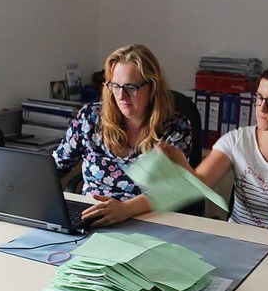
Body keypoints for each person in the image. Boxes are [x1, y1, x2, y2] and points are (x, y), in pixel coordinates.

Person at [159, 61, 268, 239]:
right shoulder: (237, 141)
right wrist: (180, 162)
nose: (261, 108)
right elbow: (200, 186)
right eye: (259, 97)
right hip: (238, 240)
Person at [53, 43, 192, 227]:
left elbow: (172, 188)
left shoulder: (175, 127)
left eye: (131, 87)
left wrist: (126, 209)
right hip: (92, 220)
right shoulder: (90, 119)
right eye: (115, 86)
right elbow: (57, 165)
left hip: (149, 223)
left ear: (152, 87)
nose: (121, 96)